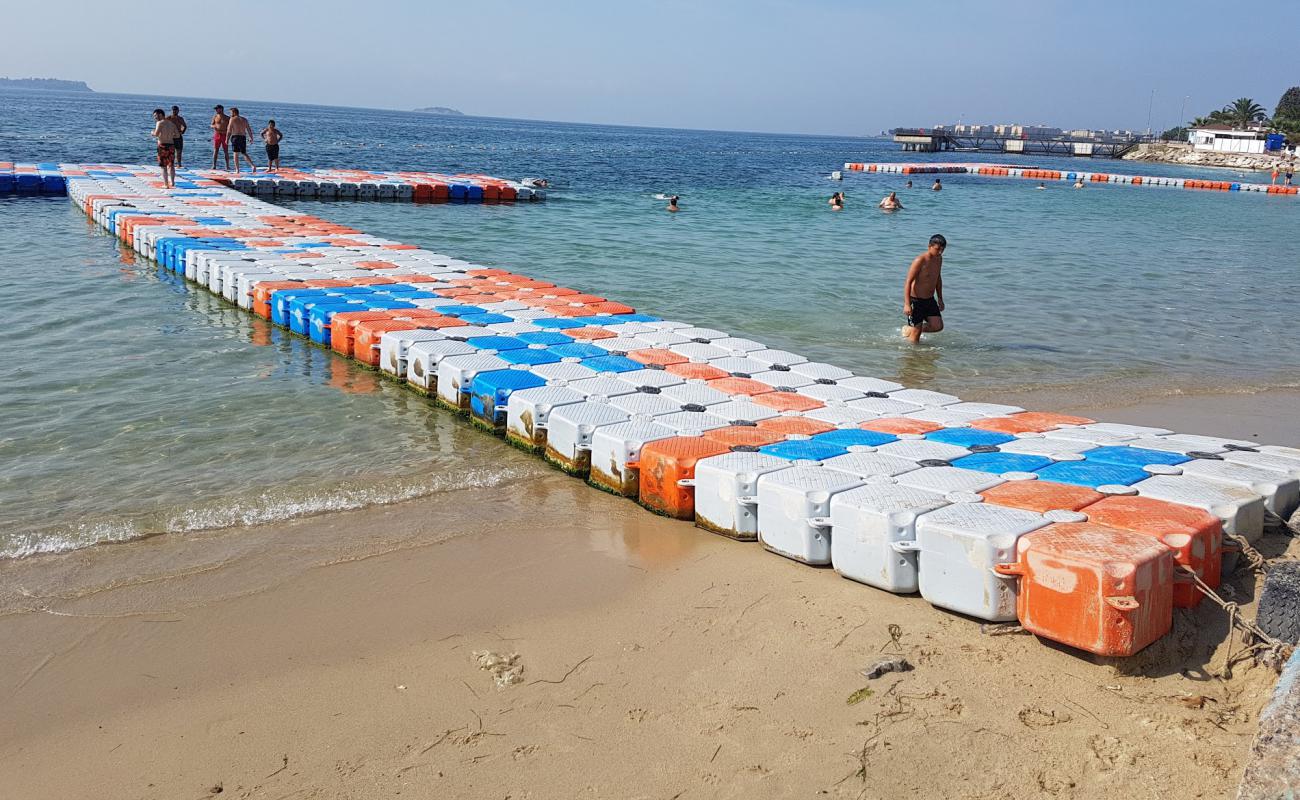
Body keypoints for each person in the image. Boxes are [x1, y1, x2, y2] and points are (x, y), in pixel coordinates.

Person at [902, 234, 947, 344]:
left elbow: (938, 278)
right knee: (915, 339)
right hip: (916, 301)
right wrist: (907, 304)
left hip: (929, 300)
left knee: (938, 326)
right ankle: (912, 357)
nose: (940, 252)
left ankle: (910, 330)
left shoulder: (939, 259)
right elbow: (908, 282)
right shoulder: (920, 260)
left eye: (942, 250)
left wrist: (940, 298)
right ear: (929, 246)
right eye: (937, 249)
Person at [150, 109, 178, 189]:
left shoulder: (159, 123)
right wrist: (169, 135)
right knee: (171, 165)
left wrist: (152, 132)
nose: (155, 118)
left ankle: (166, 184)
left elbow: (156, 134)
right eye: (154, 116)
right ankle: (172, 182)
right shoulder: (171, 124)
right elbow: (177, 135)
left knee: (163, 166)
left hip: (162, 146)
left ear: (161, 114)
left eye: (156, 116)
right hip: (171, 145)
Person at [226, 107, 257, 173]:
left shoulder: (232, 119)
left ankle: (237, 169)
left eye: (231, 113)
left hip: (235, 137)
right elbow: (249, 129)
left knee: (235, 153)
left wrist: (227, 139)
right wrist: (251, 137)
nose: (230, 114)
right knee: (244, 153)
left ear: (234, 112)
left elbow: (229, 130)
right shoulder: (244, 119)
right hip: (243, 137)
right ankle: (252, 165)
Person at [210, 104, 231, 170]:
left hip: (224, 135)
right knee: (216, 150)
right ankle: (214, 165)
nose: (216, 110)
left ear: (221, 109)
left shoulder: (227, 118)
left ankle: (227, 166)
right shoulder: (215, 117)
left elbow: (231, 127)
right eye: (216, 109)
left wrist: (229, 135)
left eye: (217, 109)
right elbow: (211, 124)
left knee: (226, 151)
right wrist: (214, 126)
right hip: (217, 134)